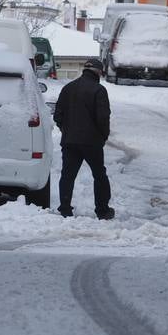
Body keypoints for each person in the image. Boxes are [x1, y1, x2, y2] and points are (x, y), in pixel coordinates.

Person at [52, 57, 114, 219]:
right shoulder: (99, 90)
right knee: (99, 175)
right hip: (92, 142)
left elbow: (58, 115)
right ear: (98, 72)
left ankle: (65, 208)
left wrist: (66, 130)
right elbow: (103, 117)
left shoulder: (68, 88)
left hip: (70, 141)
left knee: (68, 175)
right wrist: (103, 136)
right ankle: (102, 210)